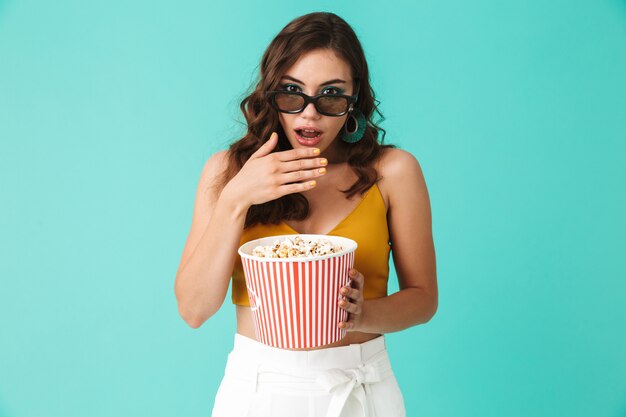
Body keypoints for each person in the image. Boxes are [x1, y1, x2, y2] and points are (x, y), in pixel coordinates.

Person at [174, 11, 438, 417]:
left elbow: (423, 299)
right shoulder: (226, 171)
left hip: (362, 388)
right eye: (292, 92)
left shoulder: (394, 172)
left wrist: (364, 313)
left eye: (331, 95)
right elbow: (194, 310)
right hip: (258, 390)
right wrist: (235, 200)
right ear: (270, 94)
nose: (309, 114)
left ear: (355, 101)